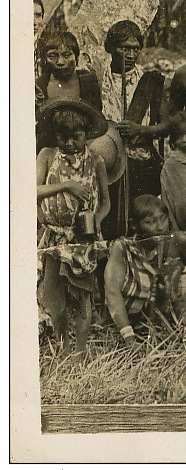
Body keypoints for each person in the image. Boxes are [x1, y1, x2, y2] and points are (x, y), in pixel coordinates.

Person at [36, 97, 110, 360]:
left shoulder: (96, 161)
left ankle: (79, 352)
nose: (69, 143)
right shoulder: (47, 155)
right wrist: (66, 186)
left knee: (82, 296)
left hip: (83, 239)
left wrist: (95, 222)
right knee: (55, 298)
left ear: (86, 134)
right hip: (54, 235)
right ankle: (62, 347)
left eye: (75, 137)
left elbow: (105, 203)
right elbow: (34, 191)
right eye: (63, 137)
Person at [99, 20, 170, 237]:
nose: (130, 54)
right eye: (124, 48)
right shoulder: (96, 81)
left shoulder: (152, 81)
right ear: (111, 47)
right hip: (108, 163)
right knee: (112, 224)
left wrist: (141, 130)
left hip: (142, 162)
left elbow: (167, 125)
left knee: (143, 220)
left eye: (135, 48)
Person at [104, 195, 186, 346]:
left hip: (157, 316)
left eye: (163, 219)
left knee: (185, 282)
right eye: (150, 222)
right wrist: (128, 336)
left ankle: (180, 335)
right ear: (134, 225)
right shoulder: (123, 247)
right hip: (127, 321)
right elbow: (112, 292)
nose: (160, 227)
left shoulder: (170, 243)